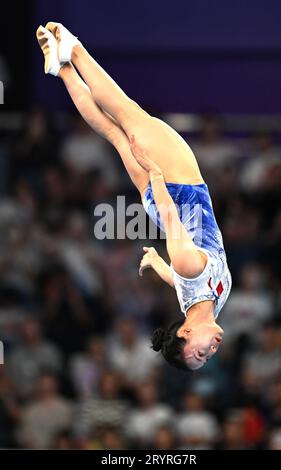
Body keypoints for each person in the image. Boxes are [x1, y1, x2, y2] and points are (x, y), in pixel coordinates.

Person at [36, 22, 232, 371]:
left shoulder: (190, 269)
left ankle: (74, 50)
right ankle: (62, 69)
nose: (211, 351)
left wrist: (155, 172)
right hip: (162, 198)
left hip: (174, 187)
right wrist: (159, 265)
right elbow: (182, 281)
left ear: (186, 331)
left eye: (199, 353)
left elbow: (174, 225)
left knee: (128, 114)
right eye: (206, 357)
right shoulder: (201, 304)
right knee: (114, 133)